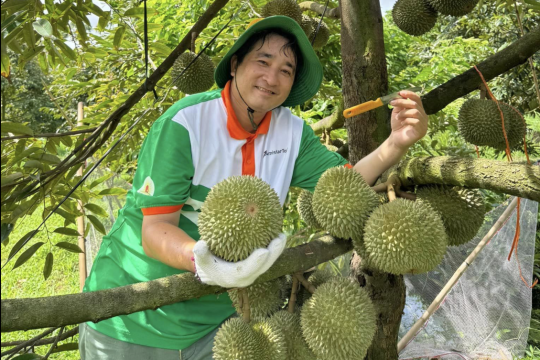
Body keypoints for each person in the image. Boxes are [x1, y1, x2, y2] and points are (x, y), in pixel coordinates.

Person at [79, 15, 428, 360]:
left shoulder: (291, 133)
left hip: (221, 326)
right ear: (234, 65)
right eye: (263, 61)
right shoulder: (185, 124)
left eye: (286, 70)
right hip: (131, 320)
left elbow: (345, 184)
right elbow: (155, 229)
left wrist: (396, 143)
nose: (271, 77)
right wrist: (204, 262)